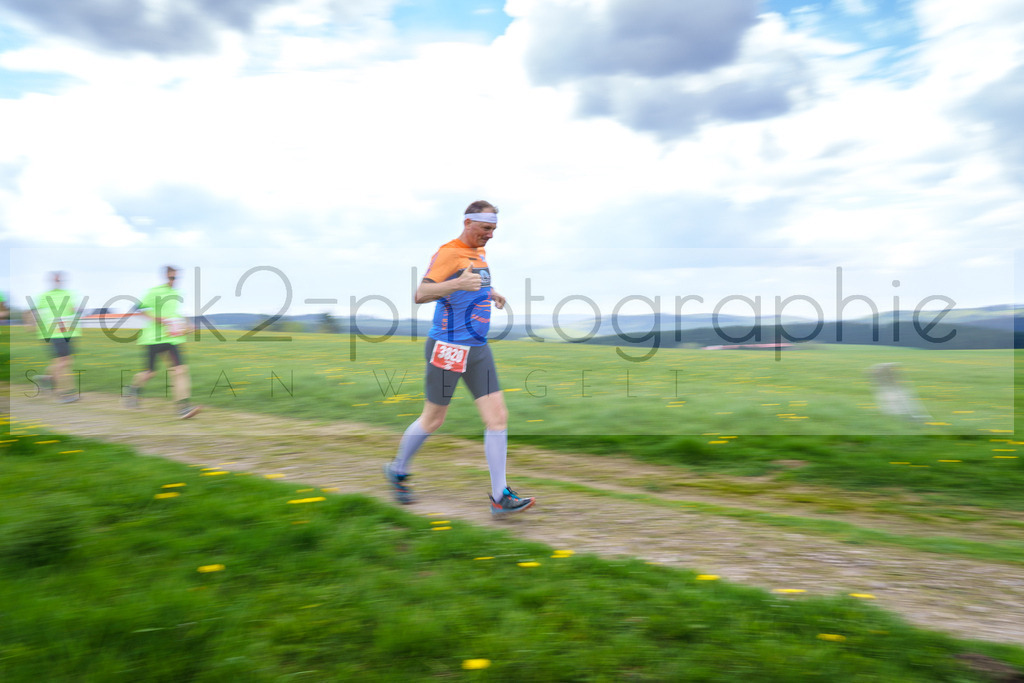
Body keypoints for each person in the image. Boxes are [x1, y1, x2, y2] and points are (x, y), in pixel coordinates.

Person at [384, 201, 535, 516]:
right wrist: (458, 284)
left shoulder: (479, 252)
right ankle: (397, 470)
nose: (490, 235)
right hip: (448, 347)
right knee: (433, 420)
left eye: (493, 229)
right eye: (485, 228)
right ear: (468, 222)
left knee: (498, 418)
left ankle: (499, 496)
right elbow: (421, 294)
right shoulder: (448, 253)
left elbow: (470, 284)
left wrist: (489, 293)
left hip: (478, 348)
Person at [123, 266, 201, 419]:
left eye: (176, 278)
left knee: (180, 370)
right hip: (154, 338)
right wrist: (159, 320)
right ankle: (133, 389)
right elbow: (137, 309)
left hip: (172, 338)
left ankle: (183, 407)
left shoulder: (177, 293)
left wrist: (188, 324)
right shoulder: (154, 291)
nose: (174, 281)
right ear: (165, 277)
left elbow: (176, 313)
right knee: (150, 372)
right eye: (171, 278)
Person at [27, 271, 82, 403]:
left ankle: (46, 379)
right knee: (63, 361)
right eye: (55, 279)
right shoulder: (43, 296)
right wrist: (31, 324)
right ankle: (60, 393)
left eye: (59, 279)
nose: (57, 281)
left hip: (69, 332)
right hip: (54, 332)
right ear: (52, 281)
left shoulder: (69, 294)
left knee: (64, 362)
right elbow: (32, 311)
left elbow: (74, 309)